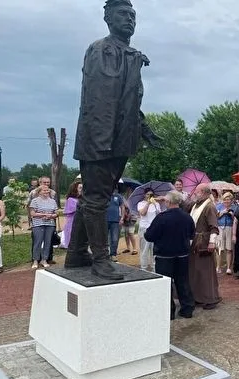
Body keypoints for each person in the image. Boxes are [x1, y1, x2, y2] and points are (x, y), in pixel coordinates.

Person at [64, 0, 162, 280]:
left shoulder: (128, 54)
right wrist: (103, 142)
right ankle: (101, 258)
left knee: (95, 197)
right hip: (100, 138)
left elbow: (128, 100)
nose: (130, 19)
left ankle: (76, 253)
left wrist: (142, 128)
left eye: (133, 15)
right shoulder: (102, 50)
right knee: (96, 199)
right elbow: (102, 99)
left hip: (118, 139)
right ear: (108, 18)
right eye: (123, 14)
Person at [143, 191, 195, 320]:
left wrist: (147, 231)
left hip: (164, 255)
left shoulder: (161, 218)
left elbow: (149, 236)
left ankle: (169, 311)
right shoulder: (187, 217)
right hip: (182, 254)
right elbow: (192, 234)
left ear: (168, 202)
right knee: (183, 281)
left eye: (165, 201)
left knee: (166, 283)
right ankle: (187, 309)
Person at [186, 186, 221, 310]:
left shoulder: (209, 206)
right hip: (195, 241)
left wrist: (212, 242)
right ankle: (198, 297)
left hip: (203, 243)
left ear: (204, 193)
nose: (195, 194)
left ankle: (210, 298)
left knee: (206, 271)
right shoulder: (196, 205)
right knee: (196, 271)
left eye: (197, 192)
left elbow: (214, 227)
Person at [29, 186, 58, 269]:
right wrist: (43, 215)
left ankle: (44, 259)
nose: (46, 192)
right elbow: (32, 213)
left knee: (48, 242)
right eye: (44, 190)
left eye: (47, 190)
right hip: (38, 224)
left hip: (50, 224)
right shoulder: (34, 201)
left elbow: (56, 213)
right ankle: (35, 260)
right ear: (39, 191)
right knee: (37, 242)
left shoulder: (53, 201)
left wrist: (51, 216)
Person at [138, 188, 163, 271]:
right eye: (148, 194)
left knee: (154, 250)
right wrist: (148, 203)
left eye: (151, 194)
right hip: (144, 228)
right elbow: (142, 213)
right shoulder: (141, 204)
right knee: (144, 250)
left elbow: (159, 215)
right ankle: (143, 268)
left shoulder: (156, 204)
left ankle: (154, 268)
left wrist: (155, 204)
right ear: (144, 195)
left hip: (154, 228)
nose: (149, 196)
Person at [216, 192, 238, 274]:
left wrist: (232, 215)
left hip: (230, 227)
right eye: (225, 200)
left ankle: (229, 267)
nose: (226, 202)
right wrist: (222, 213)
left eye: (228, 200)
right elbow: (215, 216)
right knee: (219, 248)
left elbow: (236, 220)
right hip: (220, 227)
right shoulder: (218, 206)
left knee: (229, 248)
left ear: (231, 201)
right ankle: (218, 266)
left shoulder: (235, 208)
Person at [62, 181, 82, 249]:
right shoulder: (71, 200)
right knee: (73, 244)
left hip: (81, 224)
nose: (82, 190)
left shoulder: (81, 199)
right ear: (74, 189)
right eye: (80, 188)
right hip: (72, 225)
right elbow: (78, 209)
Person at [107, 188, 125, 261]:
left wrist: (122, 218)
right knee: (103, 238)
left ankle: (113, 254)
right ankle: (104, 254)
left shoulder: (118, 196)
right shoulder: (104, 196)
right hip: (104, 220)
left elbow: (122, 207)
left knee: (114, 238)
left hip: (115, 220)